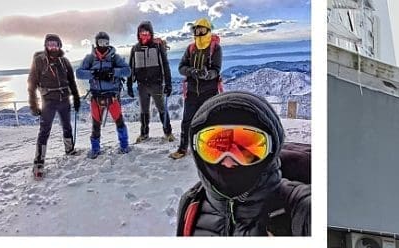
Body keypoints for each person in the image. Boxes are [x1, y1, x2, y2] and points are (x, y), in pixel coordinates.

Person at [175, 91, 311, 236]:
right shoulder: (191, 204)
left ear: (272, 149)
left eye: (245, 149)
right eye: (214, 149)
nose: (228, 162)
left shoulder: (298, 206)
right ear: (197, 152)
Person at [27, 34, 81, 179]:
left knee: (67, 126)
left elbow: (72, 82)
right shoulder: (39, 61)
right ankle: (38, 163)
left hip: (64, 99)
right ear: (46, 46)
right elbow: (31, 85)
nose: (53, 47)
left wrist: (76, 98)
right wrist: (34, 105)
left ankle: (69, 150)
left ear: (60, 46)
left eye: (55, 45)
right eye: (50, 44)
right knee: (44, 131)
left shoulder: (64, 62)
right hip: (48, 101)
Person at [170, 17, 223, 160]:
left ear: (208, 30)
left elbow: (216, 70)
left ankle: (212, 149)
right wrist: (192, 71)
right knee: (187, 121)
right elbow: (181, 67)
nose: (199, 33)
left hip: (209, 92)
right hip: (192, 91)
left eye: (202, 30)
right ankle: (183, 148)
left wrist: (207, 75)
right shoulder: (191, 48)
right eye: (196, 30)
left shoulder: (215, 48)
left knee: (210, 121)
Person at [77, 31, 132, 158]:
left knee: (119, 121)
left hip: (112, 95)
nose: (103, 45)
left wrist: (112, 72)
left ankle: (124, 146)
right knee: (96, 124)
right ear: (96, 43)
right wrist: (94, 73)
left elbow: (127, 71)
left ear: (109, 43)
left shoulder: (114, 57)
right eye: (101, 42)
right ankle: (95, 149)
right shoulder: (90, 58)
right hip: (96, 96)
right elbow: (79, 73)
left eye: (106, 42)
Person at [127, 20, 174, 143]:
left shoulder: (157, 47)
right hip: (142, 85)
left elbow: (165, 65)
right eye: (141, 32)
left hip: (156, 84)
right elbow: (130, 67)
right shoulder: (135, 48)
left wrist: (168, 83)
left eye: (147, 32)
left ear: (151, 33)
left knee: (161, 108)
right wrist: (129, 84)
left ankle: (168, 132)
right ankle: (144, 133)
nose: (144, 34)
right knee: (143, 110)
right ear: (138, 34)